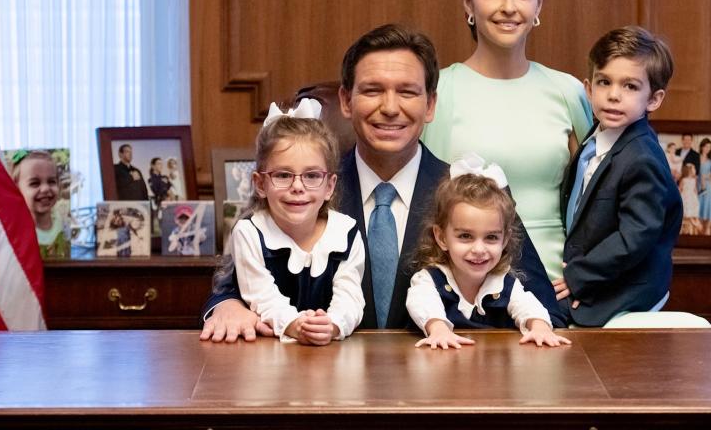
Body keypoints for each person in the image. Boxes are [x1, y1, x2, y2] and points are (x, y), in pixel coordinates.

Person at [201, 23, 561, 342]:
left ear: (430, 105)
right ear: (345, 100)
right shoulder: (304, 190)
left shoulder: (474, 194)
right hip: (323, 396)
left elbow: (545, 309)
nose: (390, 107)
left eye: (407, 92)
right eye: (373, 90)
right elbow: (236, 283)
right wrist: (225, 305)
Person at [422, 0, 593, 281]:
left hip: (557, 286)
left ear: (539, 4)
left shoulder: (569, 91)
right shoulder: (439, 90)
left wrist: (585, 279)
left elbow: (596, 201)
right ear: (468, 2)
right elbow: (425, 204)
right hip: (463, 292)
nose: (509, 7)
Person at [555, 26, 683, 326]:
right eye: (604, 82)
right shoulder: (595, 136)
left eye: (630, 86)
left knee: (549, 317)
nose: (613, 95)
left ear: (653, 99)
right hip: (597, 268)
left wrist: (579, 277)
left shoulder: (642, 158)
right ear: (589, 90)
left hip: (627, 285)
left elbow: (635, 237)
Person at [229, 104, 365, 344]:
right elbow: (261, 295)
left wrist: (332, 324)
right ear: (260, 184)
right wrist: (294, 324)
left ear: (330, 186)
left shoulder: (346, 233)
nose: (298, 187)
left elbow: (350, 295)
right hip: (267, 356)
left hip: (332, 357)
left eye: (312, 176)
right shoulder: (249, 233)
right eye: (283, 175)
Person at [406, 155, 571, 350]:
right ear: (441, 238)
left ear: (505, 240)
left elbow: (528, 306)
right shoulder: (430, 280)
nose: (479, 249)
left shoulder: (503, 282)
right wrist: (438, 330)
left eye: (491, 237)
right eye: (465, 236)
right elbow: (422, 303)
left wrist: (539, 327)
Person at [12, 149, 69, 259]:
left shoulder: (61, 221)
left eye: (51, 181)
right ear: (17, 190)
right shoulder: (18, 232)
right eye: (35, 183)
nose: (45, 188)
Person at [697, 138, 711, 227]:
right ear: (701, 147)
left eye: (709, 147)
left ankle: (707, 228)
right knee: (698, 205)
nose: (707, 148)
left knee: (709, 206)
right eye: (705, 146)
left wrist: (707, 177)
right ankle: (699, 227)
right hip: (698, 184)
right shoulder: (696, 157)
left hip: (709, 185)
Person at [678, 163, 701, 234]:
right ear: (689, 170)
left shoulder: (694, 180)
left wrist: (696, 198)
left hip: (691, 198)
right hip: (687, 198)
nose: (695, 170)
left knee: (691, 212)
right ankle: (695, 223)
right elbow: (680, 189)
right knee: (688, 213)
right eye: (693, 169)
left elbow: (695, 190)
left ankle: (695, 222)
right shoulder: (684, 180)